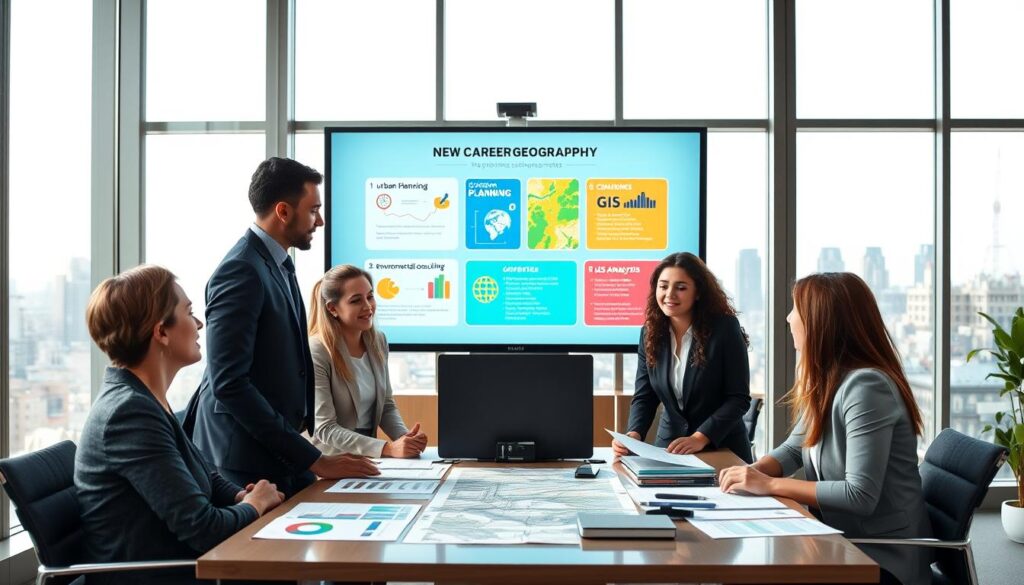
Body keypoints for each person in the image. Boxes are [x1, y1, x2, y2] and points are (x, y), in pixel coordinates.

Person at [718, 272, 932, 585]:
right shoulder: (829, 378)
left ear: (820, 322)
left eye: (795, 310)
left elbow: (859, 494)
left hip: (881, 556)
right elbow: (794, 448)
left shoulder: (866, 386)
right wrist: (755, 471)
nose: (789, 318)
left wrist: (768, 485)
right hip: (842, 539)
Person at [76, 265, 284, 585]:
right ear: (161, 332)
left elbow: (201, 473)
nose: (200, 323)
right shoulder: (129, 413)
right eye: (189, 312)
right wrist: (256, 505)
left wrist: (240, 497)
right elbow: (205, 530)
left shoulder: (143, 398)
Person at [188, 157, 378, 498]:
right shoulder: (241, 271)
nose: (319, 221)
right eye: (313, 210)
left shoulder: (277, 264)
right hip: (245, 460)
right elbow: (229, 383)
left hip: (278, 452)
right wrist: (316, 460)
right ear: (283, 212)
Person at [612, 252, 753, 462]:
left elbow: (738, 399)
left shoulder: (724, 328)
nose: (670, 294)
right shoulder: (650, 333)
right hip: (670, 447)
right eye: (663, 286)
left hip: (722, 447)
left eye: (681, 287)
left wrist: (700, 437)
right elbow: (645, 395)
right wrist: (634, 434)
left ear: (697, 293)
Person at [307, 265, 428, 457]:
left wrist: (405, 439)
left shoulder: (377, 341)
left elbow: (386, 405)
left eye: (370, 296)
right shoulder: (317, 350)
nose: (368, 306)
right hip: (328, 461)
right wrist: (388, 448)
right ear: (332, 308)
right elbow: (325, 428)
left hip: (367, 458)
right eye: (356, 300)